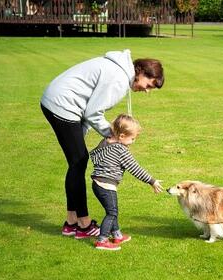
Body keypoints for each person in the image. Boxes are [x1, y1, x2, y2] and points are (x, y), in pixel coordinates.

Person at [40, 49, 164, 239]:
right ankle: (83, 225)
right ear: (140, 72)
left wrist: (83, 133)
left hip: (58, 102)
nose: (147, 90)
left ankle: (71, 222)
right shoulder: (119, 80)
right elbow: (93, 113)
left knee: (77, 162)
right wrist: (115, 137)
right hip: (62, 104)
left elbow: (89, 108)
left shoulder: (119, 72)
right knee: (78, 162)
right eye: (149, 85)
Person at [90, 114, 163, 250]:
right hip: (107, 186)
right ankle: (102, 240)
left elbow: (94, 156)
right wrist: (151, 181)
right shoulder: (121, 150)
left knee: (112, 210)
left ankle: (117, 235)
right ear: (122, 136)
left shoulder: (105, 142)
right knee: (111, 213)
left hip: (96, 184)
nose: (133, 141)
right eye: (132, 138)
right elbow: (135, 168)